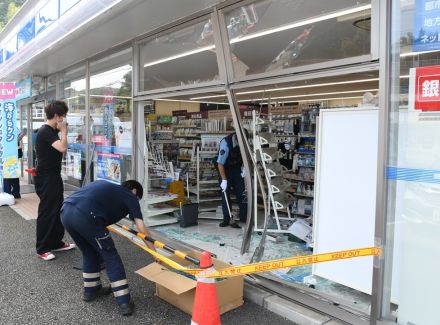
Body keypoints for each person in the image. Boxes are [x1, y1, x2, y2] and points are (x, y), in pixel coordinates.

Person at [61, 180, 155, 316]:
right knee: (110, 256)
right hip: (87, 217)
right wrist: (154, 253)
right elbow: (141, 228)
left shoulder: (106, 186)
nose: (136, 201)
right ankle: (124, 302)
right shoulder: (129, 196)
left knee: (89, 252)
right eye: (138, 198)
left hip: (66, 212)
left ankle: (91, 291)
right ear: (134, 191)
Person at [34, 101, 75, 261]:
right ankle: (42, 247)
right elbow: (62, 148)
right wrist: (64, 131)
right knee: (47, 211)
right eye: (63, 116)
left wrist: (61, 131)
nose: (65, 119)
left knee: (57, 208)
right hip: (46, 178)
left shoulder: (51, 131)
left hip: (53, 175)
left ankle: (56, 242)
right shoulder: (45, 131)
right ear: (57, 116)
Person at [217, 130, 248, 228]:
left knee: (241, 193)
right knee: (225, 194)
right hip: (225, 169)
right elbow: (220, 163)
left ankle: (245, 216)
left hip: (237, 169)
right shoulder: (225, 144)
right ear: (237, 138)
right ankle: (227, 218)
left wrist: (244, 168)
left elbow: (246, 157)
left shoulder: (244, 142)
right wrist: (224, 180)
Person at [3, 130, 26, 198]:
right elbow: (19, 154)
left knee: (10, 178)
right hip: (10, 160)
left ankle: (10, 193)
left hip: (10, 160)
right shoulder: (11, 139)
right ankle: (14, 193)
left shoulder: (10, 139)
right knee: (12, 177)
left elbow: (19, 154)